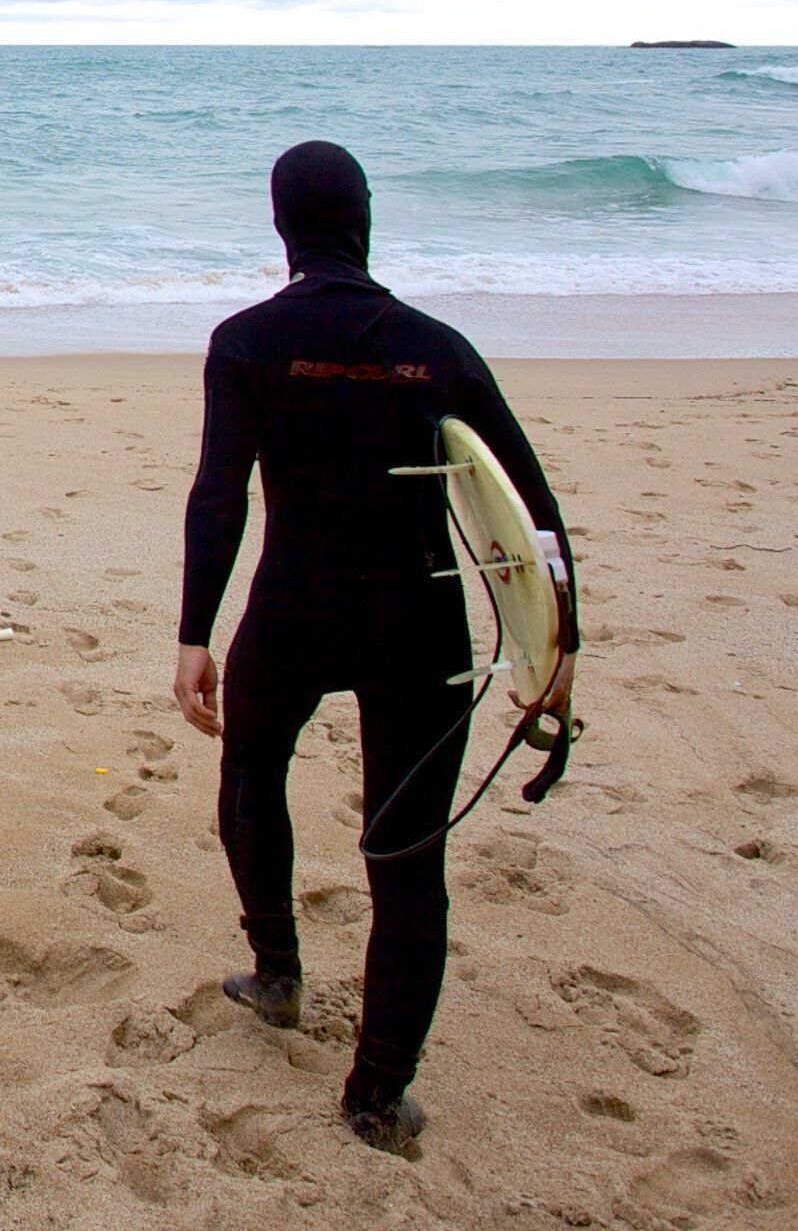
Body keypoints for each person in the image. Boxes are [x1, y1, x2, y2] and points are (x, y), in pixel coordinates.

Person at [171, 140, 576, 1155]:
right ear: (366, 219)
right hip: (420, 625)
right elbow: (532, 510)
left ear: (280, 228)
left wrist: (193, 635)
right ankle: (376, 1095)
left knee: (252, 773)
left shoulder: (246, 344)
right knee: (407, 861)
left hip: (294, 612)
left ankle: (276, 973)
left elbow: (221, 495)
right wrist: (562, 645)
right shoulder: (435, 347)